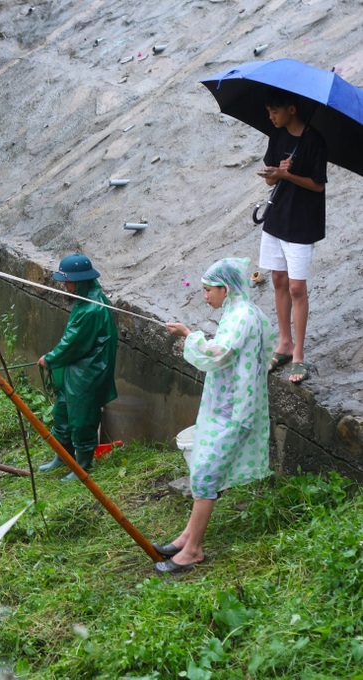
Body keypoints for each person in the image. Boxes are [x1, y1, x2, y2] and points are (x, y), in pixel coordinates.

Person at [158, 258, 274, 574]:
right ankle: (186, 537)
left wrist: (189, 335)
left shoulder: (241, 317)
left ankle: (193, 550)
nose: (206, 296)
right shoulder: (238, 312)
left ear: (225, 288)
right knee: (203, 468)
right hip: (228, 405)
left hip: (236, 409)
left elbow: (219, 353)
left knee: (207, 472)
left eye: (209, 290)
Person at [258, 89, 327, 384]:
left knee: (297, 287)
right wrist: (275, 173)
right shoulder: (278, 136)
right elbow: (270, 177)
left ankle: (299, 354)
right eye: (269, 112)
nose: (271, 117)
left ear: (291, 109)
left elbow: (318, 185)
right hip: (277, 218)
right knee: (278, 280)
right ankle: (284, 343)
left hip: (301, 222)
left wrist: (287, 176)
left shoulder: (314, 141)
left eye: (275, 112)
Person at [37, 254, 118, 482]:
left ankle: (82, 465)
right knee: (61, 412)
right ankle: (62, 456)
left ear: (81, 281)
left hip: (88, 373)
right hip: (75, 370)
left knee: (81, 418)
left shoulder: (92, 309)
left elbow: (73, 343)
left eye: (68, 281)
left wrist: (50, 359)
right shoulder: (84, 301)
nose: (65, 286)